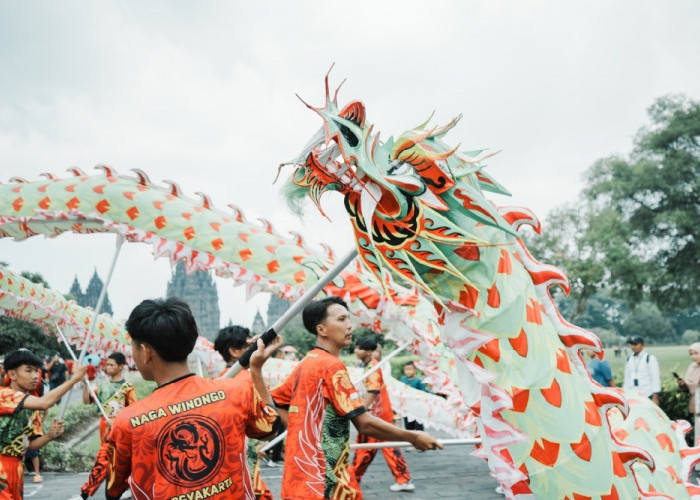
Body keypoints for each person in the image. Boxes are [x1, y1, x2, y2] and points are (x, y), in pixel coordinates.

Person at [105, 297, 283, 500]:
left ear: (145, 352)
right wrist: (256, 370)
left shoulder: (128, 421)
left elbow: (113, 490)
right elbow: (271, 427)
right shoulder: (236, 392)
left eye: (134, 347)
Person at [271, 296, 442, 500]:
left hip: (301, 477)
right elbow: (364, 424)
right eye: (342, 319)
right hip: (326, 481)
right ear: (321, 329)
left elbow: (277, 402)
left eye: (349, 319)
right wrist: (413, 437)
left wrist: (307, 435)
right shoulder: (331, 367)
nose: (350, 326)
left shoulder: (306, 363)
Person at [1, 349, 87, 499]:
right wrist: (74, 380)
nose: (35, 376)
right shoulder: (4, 395)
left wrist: (50, 435)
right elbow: (44, 402)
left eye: (37, 371)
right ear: (12, 374)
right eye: (29, 371)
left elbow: (29, 446)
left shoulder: (31, 407)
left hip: (16, 468)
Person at [213, 325, 275, 500]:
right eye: (249, 346)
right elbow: (270, 426)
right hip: (245, 467)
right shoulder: (247, 379)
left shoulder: (218, 380)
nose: (253, 349)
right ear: (234, 351)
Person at [349, 337, 414, 492]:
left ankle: (354, 479)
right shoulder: (367, 365)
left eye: (359, 348)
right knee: (381, 446)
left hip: (376, 415)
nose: (356, 350)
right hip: (378, 414)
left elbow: (373, 390)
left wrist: (361, 411)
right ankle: (403, 479)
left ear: (369, 352)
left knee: (367, 446)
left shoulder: (372, 366)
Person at [80, 352, 137, 499]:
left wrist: (118, 421)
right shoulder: (101, 386)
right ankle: (113, 491)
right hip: (104, 426)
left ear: (120, 366)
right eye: (107, 364)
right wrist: (85, 385)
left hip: (119, 428)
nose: (108, 367)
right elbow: (87, 401)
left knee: (107, 457)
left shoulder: (127, 387)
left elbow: (134, 411)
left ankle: (87, 491)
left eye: (111, 365)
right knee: (109, 458)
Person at [622, 336, 661, 404]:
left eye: (635, 344)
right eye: (632, 344)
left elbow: (655, 379)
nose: (633, 347)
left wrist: (655, 397)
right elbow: (627, 378)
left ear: (642, 345)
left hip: (647, 394)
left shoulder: (650, 358)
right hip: (632, 395)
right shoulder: (629, 359)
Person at [399, 361, 427, 431]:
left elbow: (423, 393)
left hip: (417, 408)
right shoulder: (402, 380)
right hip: (407, 407)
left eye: (410, 369)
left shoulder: (419, 381)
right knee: (408, 426)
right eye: (406, 369)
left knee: (419, 425)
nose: (408, 371)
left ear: (415, 370)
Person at [677, 342, 700, 415]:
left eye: (696, 353)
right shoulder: (692, 367)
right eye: (691, 354)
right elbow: (688, 388)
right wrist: (682, 384)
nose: (693, 357)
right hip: (695, 403)